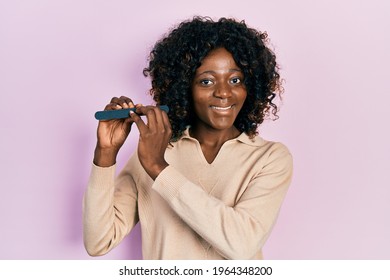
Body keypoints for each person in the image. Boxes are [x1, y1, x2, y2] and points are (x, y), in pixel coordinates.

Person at [83, 16, 293, 260]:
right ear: (184, 87)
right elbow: (98, 242)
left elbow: (241, 244)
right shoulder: (152, 153)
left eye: (235, 80)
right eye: (206, 81)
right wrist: (105, 154)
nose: (224, 92)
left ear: (252, 85)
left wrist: (159, 168)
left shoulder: (270, 158)